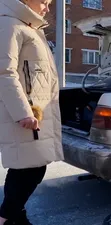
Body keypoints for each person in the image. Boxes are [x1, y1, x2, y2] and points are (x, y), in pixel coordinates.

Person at [0, 0, 64, 224]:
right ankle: (7, 217)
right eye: (44, 2)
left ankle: (14, 216)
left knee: (28, 166)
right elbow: (4, 73)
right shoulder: (10, 25)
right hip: (26, 115)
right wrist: (23, 112)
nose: (47, 8)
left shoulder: (28, 27)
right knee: (29, 168)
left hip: (34, 112)